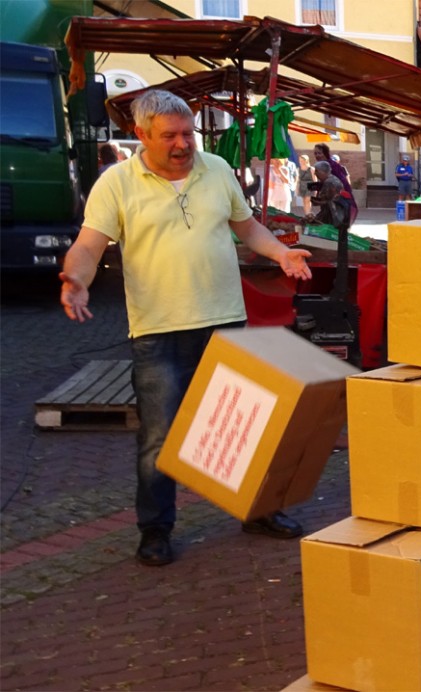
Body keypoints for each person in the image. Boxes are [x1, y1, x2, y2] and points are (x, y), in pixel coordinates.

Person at [58, 90, 313, 567]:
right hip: (159, 332)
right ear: (141, 135)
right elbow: (90, 245)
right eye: (169, 136)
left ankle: (258, 511)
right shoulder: (116, 183)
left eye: (187, 133)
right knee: (161, 437)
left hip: (226, 323)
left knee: (242, 427)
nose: (182, 144)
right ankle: (155, 530)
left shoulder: (216, 169)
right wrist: (77, 280)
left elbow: (246, 227)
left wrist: (280, 252)